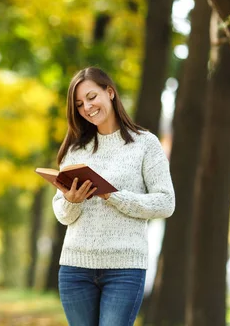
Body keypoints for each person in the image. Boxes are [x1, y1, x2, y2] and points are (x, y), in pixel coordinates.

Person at [52, 67, 175, 326]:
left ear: (109, 92)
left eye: (91, 96)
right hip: (75, 268)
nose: (87, 106)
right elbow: (63, 215)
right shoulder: (75, 150)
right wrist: (71, 201)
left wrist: (112, 195)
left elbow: (166, 202)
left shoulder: (145, 144)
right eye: (79, 104)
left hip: (124, 268)